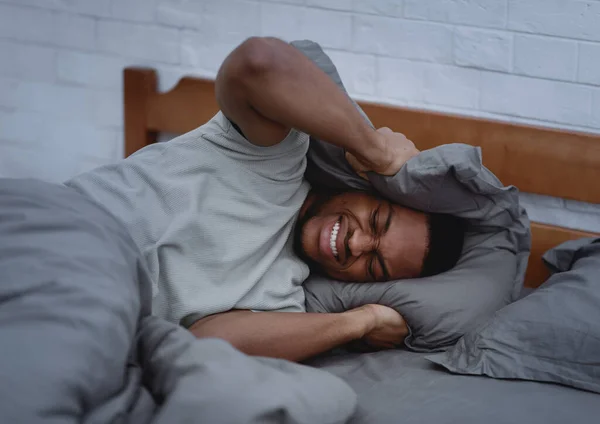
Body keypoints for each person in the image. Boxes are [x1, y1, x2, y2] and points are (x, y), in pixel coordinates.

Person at [66, 37, 465, 362]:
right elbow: (258, 63)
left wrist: (361, 321)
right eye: (376, 221)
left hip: (80, 321)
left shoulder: (284, 301)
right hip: (59, 229)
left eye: (374, 265)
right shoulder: (275, 160)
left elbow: (208, 344)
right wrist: (375, 150)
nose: (356, 243)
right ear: (366, 190)